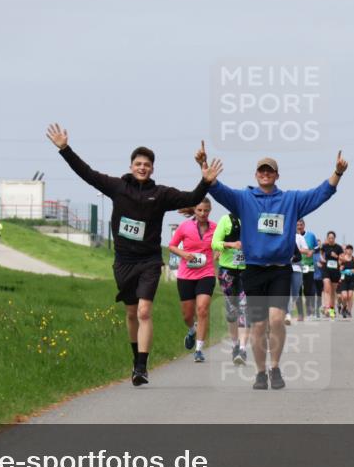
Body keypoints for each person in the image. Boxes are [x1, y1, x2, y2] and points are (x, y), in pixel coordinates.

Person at [47, 123, 222, 386]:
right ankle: (135, 360)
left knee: (143, 312)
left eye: (147, 165)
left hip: (150, 261)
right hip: (124, 262)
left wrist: (205, 180)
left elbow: (192, 196)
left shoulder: (160, 194)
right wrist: (64, 149)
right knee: (131, 314)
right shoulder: (117, 187)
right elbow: (87, 173)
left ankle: (142, 366)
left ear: (152, 169)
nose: (143, 168)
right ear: (131, 166)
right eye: (138, 163)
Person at [196, 142, 347, 390]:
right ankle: (260, 372)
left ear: (277, 175)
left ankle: (275, 367)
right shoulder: (244, 199)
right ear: (256, 175)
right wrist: (205, 170)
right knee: (258, 325)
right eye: (261, 171)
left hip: (279, 269)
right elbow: (218, 189)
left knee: (276, 320)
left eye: (270, 171)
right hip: (253, 269)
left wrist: (337, 173)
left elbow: (320, 193)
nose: (265, 174)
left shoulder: (291, 200)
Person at [168, 199, 217, 363]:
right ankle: (191, 330)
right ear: (194, 211)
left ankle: (199, 350)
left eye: (206, 211)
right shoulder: (185, 227)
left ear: (210, 211)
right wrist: (182, 254)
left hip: (206, 273)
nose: (203, 214)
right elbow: (172, 245)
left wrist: (217, 253)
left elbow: (219, 245)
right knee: (187, 315)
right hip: (186, 275)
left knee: (202, 309)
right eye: (200, 210)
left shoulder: (215, 228)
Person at [212, 209, 249, 365]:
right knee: (232, 312)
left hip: (247, 271)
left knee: (245, 308)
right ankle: (234, 345)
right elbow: (214, 243)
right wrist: (231, 244)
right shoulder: (225, 220)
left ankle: (242, 348)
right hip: (227, 271)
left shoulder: (252, 219)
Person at [288, 220, 313, 323]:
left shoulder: (299, 237)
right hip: (285, 267)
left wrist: (297, 250)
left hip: (297, 267)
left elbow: (307, 251)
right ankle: (287, 313)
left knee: (295, 292)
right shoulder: (284, 236)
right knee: (287, 291)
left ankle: (291, 304)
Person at [319, 231, 343, 320]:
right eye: (329, 238)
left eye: (332, 238)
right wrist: (322, 260)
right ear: (327, 238)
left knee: (333, 292)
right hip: (326, 269)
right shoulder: (324, 246)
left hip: (335, 271)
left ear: (334, 238)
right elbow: (320, 255)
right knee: (327, 286)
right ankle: (327, 308)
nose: (331, 239)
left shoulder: (339, 247)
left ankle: (332, 311)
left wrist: (336, 256)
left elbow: (342, 258)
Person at [297, 221, 318, 320]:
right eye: (297, 225)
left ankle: (309, 312)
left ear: (304, 225)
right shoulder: (293, 237)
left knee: (308, 291)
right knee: (298, 291)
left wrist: (311, 252)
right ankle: (300, 314)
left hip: (309, 267)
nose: (299, 227)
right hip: (297, 267)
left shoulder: (311, 235)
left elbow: (317, 248)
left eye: (301, 225)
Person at [338, 245, 354, 318]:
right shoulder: (342, 258)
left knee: (350, 296)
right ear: (346, 250)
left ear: (352, 251)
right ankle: (344, 307)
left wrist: (352, 270)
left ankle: (349, 311)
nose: (349, 251)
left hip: (351, 279)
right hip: (343, 279)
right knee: (344, 296)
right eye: (348, 249)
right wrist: (340, 269)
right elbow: (338, 267)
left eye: (351, 249)